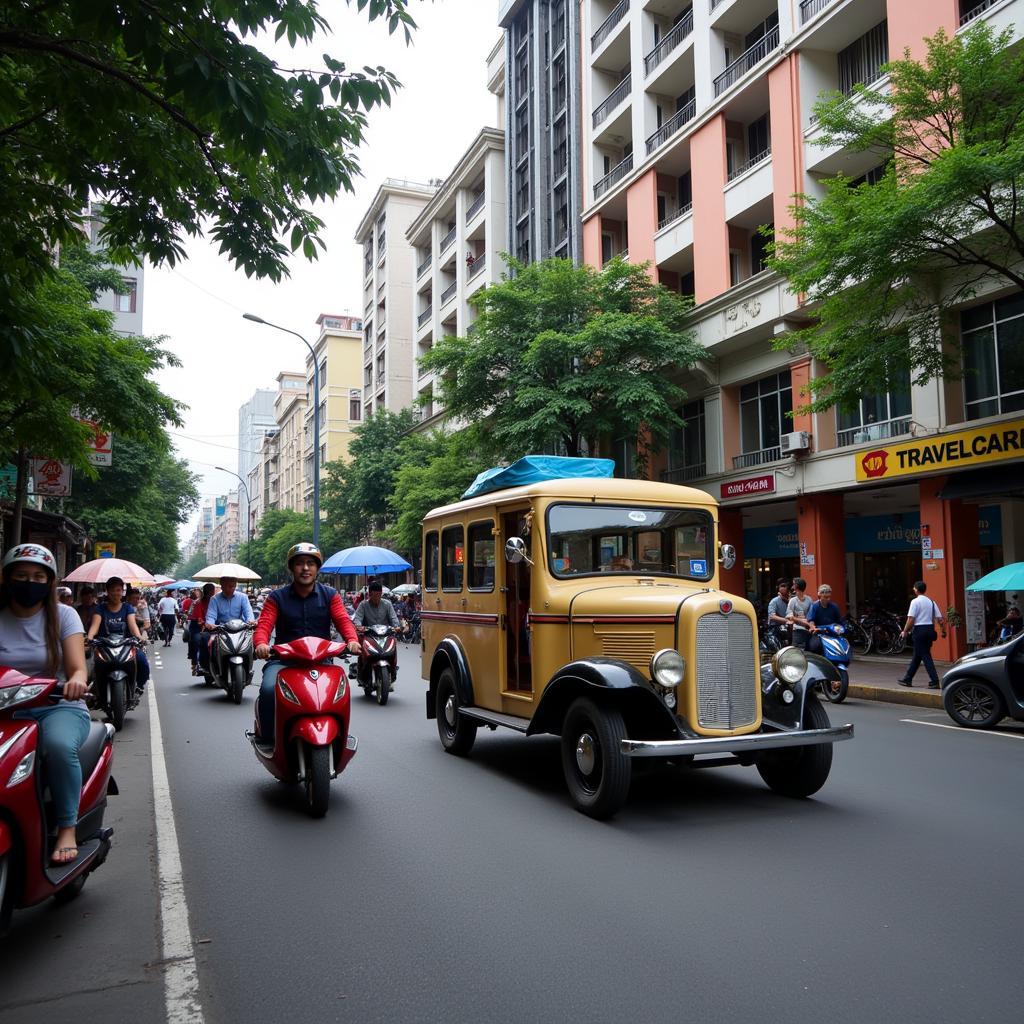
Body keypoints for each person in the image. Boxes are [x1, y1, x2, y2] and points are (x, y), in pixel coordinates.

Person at [0, 544, 91, 864]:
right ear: (8, 578)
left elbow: (78, 667)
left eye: (38, 576)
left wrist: (76, 681)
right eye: (22, 575)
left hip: (57, 705)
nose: (30, 582)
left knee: (58, 745)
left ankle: (67, 826)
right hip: (6, 710)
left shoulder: (65, 615)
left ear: (49, 582)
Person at [252, 543, 359, 748]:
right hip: (283, 662)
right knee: (267, 690)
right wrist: (261, 644)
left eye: (310, 563)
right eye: (300, 563)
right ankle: (267, 737)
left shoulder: (331, 595)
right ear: (292, 568)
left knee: (342, 692)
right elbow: (264, 624)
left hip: (322, 662)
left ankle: (340, 738)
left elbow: (343, 620)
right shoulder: (276, 597)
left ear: (317, 569)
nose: (305, 568)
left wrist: (352, 641)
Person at [86, 576, 150, 693]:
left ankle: (138, 686)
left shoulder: (127, 608)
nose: (116, 593)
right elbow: (94, 627)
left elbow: (132, 625)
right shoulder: (100, 608)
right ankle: (94, 690)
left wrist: (139, 638)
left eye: (118, 590)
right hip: (104, 646)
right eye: (113, 590)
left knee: (142, 661)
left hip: (126, 645)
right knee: (91, 666)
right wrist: (89, 639)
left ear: (122, 592)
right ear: (107, 591)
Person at [898, 580, 946, 688]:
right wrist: (943, 631)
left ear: (916, 590)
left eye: (914, 588)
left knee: (925, 655)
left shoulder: (915, 602)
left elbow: (911, 618)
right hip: (929, 630)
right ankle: (907, 679)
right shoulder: (931, 602)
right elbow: (940, 619)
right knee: (918, 655)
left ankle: (934, 681)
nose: (913, 589)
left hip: (919, 630)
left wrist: (905, 631)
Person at [806, 583, 841, 654]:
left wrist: (841, 628)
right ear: (819, 596)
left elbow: (839, 621)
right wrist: (813, 628)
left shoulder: (834, 607)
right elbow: (811, 620)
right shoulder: (814, 606)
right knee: (814, 647)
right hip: (819, 633)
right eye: (825, 597)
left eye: (829, 597)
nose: (828, 599)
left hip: (832, 633)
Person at [189, 583, 215, 675]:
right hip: (200, 627)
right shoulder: (198, 602)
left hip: (214, 626)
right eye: (212, 591)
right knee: (199, 640)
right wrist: (205, 624)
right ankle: (197, 662)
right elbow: (199, 618)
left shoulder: (215, 601)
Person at [786, 578, 813, 650]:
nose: (792, 586)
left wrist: (796, 619)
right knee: (799, 651)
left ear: (796, 586)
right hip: (798, 630)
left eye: (793, 584)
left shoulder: (809, 600)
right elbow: (789, 616)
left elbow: (812, 616)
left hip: (808, 630)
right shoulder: (793, 600)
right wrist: (806, 623)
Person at [766, 578, 791, 646]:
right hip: (776, 627)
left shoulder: (792, 600)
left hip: (790, 627)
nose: (784, 588)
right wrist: (786, 621)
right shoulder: (774, 601)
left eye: (785, 586)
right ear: (778, 588)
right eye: (782, 586)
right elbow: (772, 616)